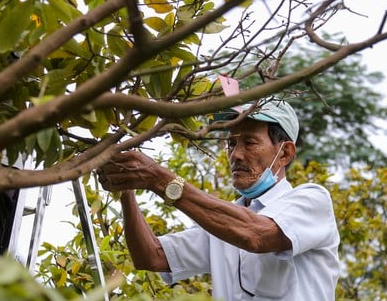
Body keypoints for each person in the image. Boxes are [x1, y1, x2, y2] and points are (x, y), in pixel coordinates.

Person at [97, 97, 340, 300]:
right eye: (231, 144)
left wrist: (160, 180)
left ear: (285, 152)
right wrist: (126, 187)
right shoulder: (222, 223)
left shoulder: (312, 200)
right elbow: (152, 256)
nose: (236, 155)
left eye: (250, 142)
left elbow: (255, 235)